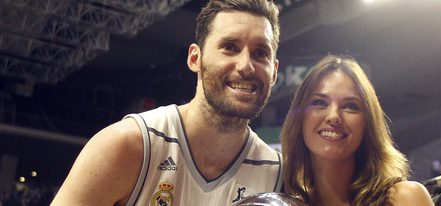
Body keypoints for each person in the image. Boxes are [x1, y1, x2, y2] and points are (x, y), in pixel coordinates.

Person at [51, 0, 282, 205]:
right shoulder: (128, 145)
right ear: (195, 58)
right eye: (229, 47)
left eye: (261, 53)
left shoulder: (278, 175)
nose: (246, 66)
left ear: (274, 72)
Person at [281, 55, 434, 206]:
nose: (333, 116)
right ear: (299, 118)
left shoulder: (405, 198)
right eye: (319, 102)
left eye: (350, 106)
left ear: (368, 123)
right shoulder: (291, 204)